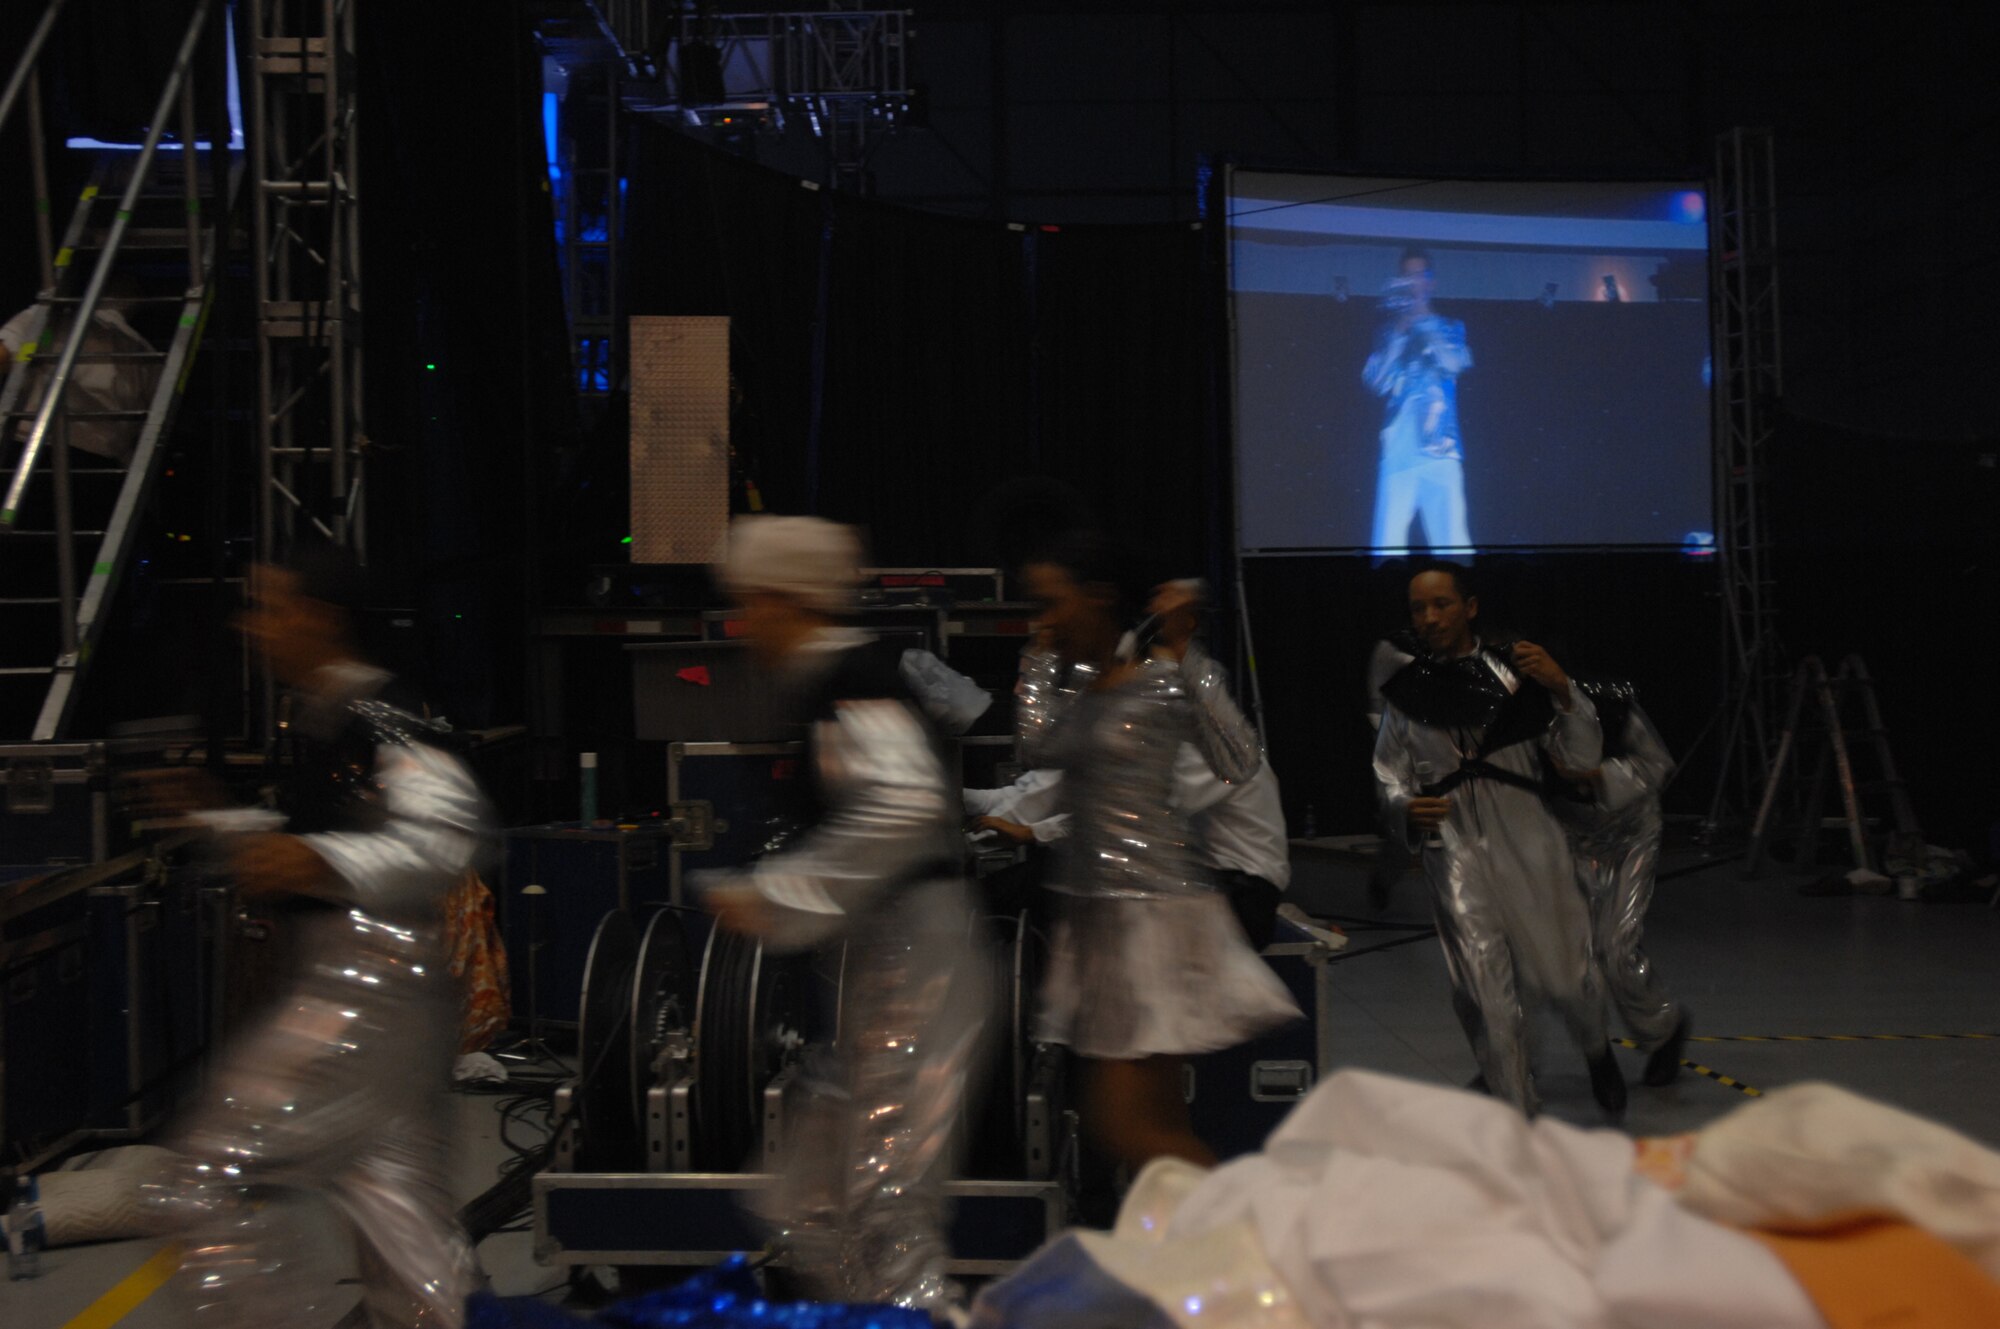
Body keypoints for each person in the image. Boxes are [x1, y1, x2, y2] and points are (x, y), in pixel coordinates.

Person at [134, 547, 492, 1328]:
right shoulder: (328, 718)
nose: (251, 626)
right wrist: (226, 824)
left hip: (367, 990)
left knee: (201, 1177)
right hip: (374, 985)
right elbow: (317, 846)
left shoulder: (384, 717)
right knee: (405, 1235)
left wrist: (316, 859)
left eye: (270, 607)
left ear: (321, 620)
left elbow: (442, 837)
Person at [701, 516, 989, 1313]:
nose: (742, 623)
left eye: (751, 602)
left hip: (915, 960)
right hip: (884, 959)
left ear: (787, 599)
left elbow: (903, 805)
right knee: (810, 1198)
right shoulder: (832, 681)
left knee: (883, 1201)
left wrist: (779, 892)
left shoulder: (853, 680)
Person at [1018, 534, 1297, 1170]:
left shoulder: (1166, 679)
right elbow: (1036, 750)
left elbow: (1238, 761)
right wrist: (1038, 659)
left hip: (1153, 914)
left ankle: (1250, 1252)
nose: (1046, 618)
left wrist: (1185, 653)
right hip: (1101, 915)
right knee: (1153, 1129)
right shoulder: (1088, 686)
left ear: (1099, 599)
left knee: (1123, 1128)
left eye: (1053, 603)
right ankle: (1192, 1260)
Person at [1372, 562, 1623, 1117]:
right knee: (1482, 987)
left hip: (1529, 839)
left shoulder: (1516, 672)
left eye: (1442, 604)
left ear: (1470, 607)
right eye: (1419, 608)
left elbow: (1579, 757)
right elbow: (1389, 770)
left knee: (1568, 976)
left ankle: (1597, 1048)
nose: (1431, 617)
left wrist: (1561, 690)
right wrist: (1406, 807)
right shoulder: (1408, 690)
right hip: (1455, 846)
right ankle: (1515, 1110)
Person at [1554, 692, 1692, 1086]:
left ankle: (1664, 1029)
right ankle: (1527, 1054)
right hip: (1569, 838)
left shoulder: (1610, 705)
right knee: (1565, 952)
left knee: (1616, 947)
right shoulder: (1514, 719)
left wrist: (1597, 777)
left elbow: (1657, 765)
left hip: (1631, 834)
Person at [1363, 248, 1473, 556]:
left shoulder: (1451, 327)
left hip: (1442, 452)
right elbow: (1376, 382)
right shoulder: (1388, 333)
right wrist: (1399, 332)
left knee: (1453, 546)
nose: (1414, 283)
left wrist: (1423, 323)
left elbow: (1453, 364)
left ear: (1431, 282)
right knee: (1386, 547)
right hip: (1398, 454)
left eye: (1419, 276)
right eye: (1407, 276)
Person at [1, 292, 159, 461]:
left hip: (32, 445)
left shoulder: (48, 318)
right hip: (101, 459)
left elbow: (3, 355)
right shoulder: (143, 350)